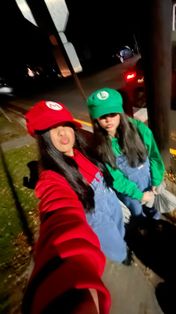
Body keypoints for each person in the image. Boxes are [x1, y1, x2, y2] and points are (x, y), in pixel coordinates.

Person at [22, 100, 128, 313]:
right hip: (97, 224)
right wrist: (65, 283)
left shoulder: (83, 149)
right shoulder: (52, 177)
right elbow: (59, 215)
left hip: (113, 208)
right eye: (53, 129)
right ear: (43, 139)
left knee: (122, 233)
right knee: (118, 251)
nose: (63, 134)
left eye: (65, 125)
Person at [87, 87, 166, 220]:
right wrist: (139, 195)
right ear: (95, 120)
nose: (108, 120)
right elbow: (116, 178)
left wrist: (156, 180)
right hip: (128, 192)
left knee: (154, 210)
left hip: (149, 182)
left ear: (120, 112)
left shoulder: (140, 130)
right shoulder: (101, 146)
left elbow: (154, 156)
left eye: (113, 114)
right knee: (138, 215)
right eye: (102, 116)